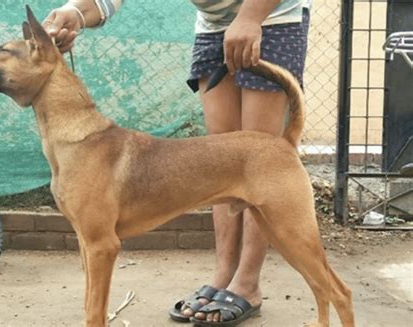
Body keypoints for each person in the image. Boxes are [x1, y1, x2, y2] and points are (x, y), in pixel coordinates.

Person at [43, 0, 311, 324]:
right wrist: (75, 13)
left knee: (256, 165)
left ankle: (247, 283)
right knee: (220, 165)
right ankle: (223, 273)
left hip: (272, 17)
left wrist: (251, 16)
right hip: (213, 26)